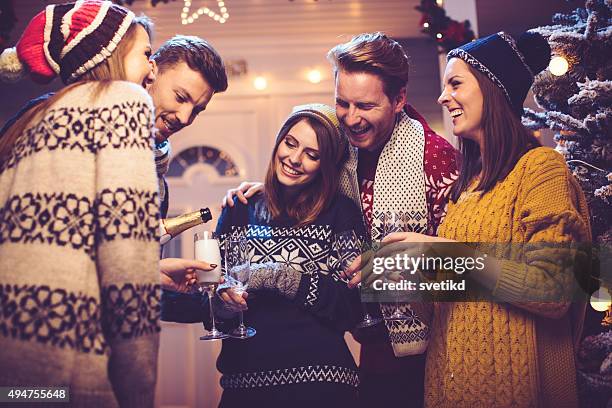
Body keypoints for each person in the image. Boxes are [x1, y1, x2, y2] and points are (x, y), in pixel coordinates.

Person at [347, 31, 592, 407]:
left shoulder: (542, 168)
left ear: (493, 88)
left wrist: (443, 254)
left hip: (515, 389)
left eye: (455, 83)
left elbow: (557, 289)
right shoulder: (469, 185)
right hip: (452, 387)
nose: (443, 97)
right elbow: (451, 303)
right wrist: (405, 271)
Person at [223, 32, 459, 407]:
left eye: (365, 106)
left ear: (399, 100)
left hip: (436, 345)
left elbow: (468, 268)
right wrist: (270, 189)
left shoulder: (436, 160)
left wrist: (401, 266)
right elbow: (306, 167)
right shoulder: (341, 150)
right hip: (371, 345)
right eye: (342, 104)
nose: (350, 118)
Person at [0, 1, 161, 406]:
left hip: (17, 371)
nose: (153, 69)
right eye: (146, 54)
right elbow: (128, 261)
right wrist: (139, 388)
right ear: (110, 53)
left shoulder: (34, 119)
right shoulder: (122, 102)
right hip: (72, 371)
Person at [163, 104, 366, 406]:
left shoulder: (341, 213)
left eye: (312, 155)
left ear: (327, 165)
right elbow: (212, 300)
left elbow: (354, 307)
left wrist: (285, 278)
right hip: (244, 385)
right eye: (290, 143)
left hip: (322, 383)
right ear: (279, 140)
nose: (294, 159)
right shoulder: (241, 207)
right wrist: (225, 303)